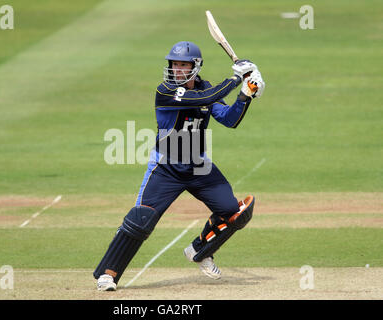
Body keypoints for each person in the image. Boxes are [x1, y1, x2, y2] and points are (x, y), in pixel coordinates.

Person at [94, 41, 265, 291]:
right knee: (141, 220)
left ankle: (200, 250)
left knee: (235, 212)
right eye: (174, 64)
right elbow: (205, 97)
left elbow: (230, 120)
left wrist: (245, 95)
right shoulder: (165, 91)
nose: (177, 69)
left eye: (183, 64)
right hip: (166, 167)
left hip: (198, 166)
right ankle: (108, 275)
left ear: (195, 66)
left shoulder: (206, 88)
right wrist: (236, 78)